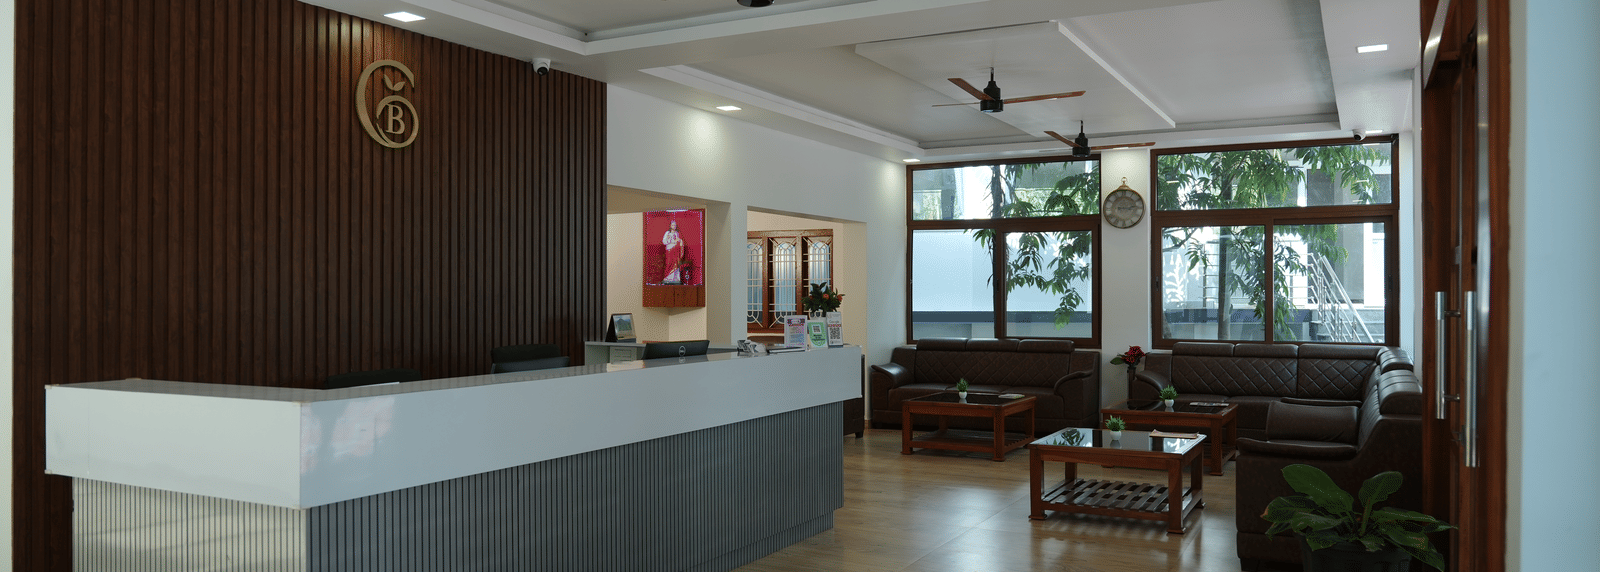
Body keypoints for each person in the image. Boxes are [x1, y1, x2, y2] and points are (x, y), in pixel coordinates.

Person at [662, 220, 685, 284]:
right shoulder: (667, 233)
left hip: (676, 251)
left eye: (675, 225)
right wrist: (668, 239)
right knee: (669, 263)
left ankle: (675, 278)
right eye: (672, 225)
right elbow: (664, 242)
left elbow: (677, 241)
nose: (674, 226)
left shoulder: (676, 233)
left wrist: (679, 241)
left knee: (676, 263)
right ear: (670, 226)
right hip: (669, 250)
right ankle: (668, 278)